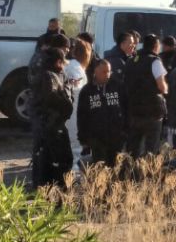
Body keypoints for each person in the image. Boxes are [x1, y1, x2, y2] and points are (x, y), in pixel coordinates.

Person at [33, 47, 74, 187]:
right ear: (58, 62)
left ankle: (49, 187)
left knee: (49, 158)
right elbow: (53, 97)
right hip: (52, 125)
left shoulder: (51, 74)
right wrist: (67, 97)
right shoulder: (49, 76)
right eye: (63, 62)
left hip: (51, 124)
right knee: (59, 159)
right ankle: (55, 188)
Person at [77, 60, 128, 167]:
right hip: (97, 138)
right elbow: (81, 115)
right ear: (95, 71)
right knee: (100, 168)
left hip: (116, 136)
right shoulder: (87, 91)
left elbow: (126, 108)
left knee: (116, 167)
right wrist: (83, 138)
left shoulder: (118, 86)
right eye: (104, 72)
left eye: (109, 71)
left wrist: (126, 130)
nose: (107, 75)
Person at [124, 34, 167, 158]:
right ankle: (148, 174)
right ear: (156, 46)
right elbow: (161, 86)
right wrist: (166, 90)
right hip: (153, 111)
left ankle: (131, 174)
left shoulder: (131, 60)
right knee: (151, 148)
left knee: (133, 147)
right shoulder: (155, 61)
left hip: (134, 110)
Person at [63, 39, 91, 169]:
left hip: (69, 112)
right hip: (75, 113)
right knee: (74, 148)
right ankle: (73, 179)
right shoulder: (76, 69)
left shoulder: (71, 66)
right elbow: (78, 91)